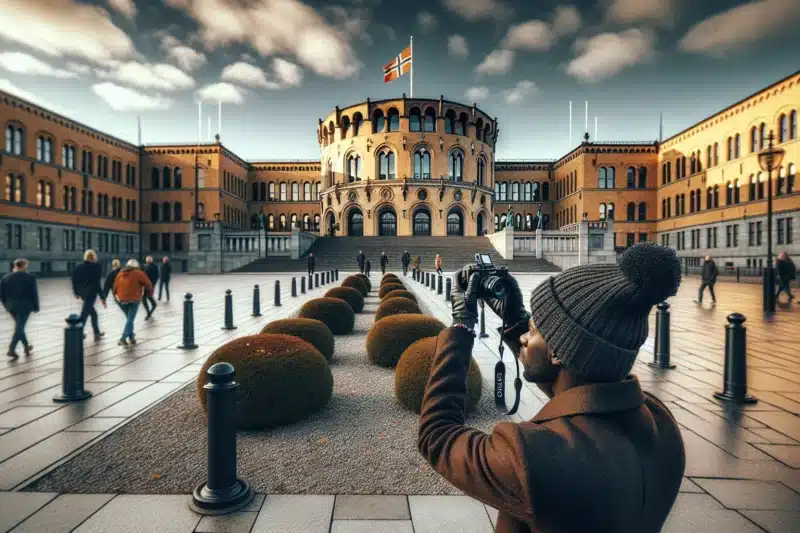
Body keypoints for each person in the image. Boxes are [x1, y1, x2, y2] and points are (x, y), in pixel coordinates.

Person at [418, 243, 686, 533]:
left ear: (559, 353)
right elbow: (577, 391)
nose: (524, 338)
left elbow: (437, 436)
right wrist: (515, 319)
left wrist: (461, 327)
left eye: (533, 332)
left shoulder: (534, 455)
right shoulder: (662, 424)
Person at [1, 259, 39, 358]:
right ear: (24, 266)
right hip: (25, 306)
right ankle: (11, 349)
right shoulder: (29, 278)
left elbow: (2, 295)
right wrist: (36, 306)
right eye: (26, 266)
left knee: (19, 327)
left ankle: (26, 346)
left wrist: (6, 305)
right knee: (20, 327)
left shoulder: (5, 277)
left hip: (11, 306)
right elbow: (33, 294)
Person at [113, 259, 153, 346]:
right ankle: (123, 338)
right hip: (134, 299)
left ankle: (132, 338)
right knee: (130, 319)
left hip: (121, 300)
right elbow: (148, 284)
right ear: (136, 266)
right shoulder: (139, 273)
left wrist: (118, 298)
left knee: (129, 319)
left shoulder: (120, 273)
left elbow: (114, 288)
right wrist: (150, 294)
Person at [71, 249, 105, 341]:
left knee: (93, 313)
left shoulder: (78, 268)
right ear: (94, 257)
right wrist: (102, 297)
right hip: (91, 293)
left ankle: (97, 333)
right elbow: (97, 283)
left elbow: (73, 281)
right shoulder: (97, 267)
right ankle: (79, 333)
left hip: (82, 293)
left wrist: (76, 293)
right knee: (85, 313)